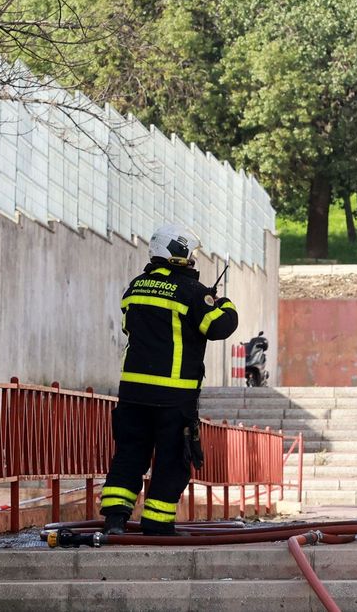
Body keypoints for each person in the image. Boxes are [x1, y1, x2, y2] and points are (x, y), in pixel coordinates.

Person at [100, 223, 238, 535]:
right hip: (173, 397)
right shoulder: (191, 292)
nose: (192, 260)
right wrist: (224, 304)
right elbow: (218, 327)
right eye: (190, 254)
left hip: (133, 394)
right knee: (172, 460)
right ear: (178, 253)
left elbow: (127, 326)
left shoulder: (135, 287)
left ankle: (115, 520)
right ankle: (157, 525)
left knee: (130, 454)